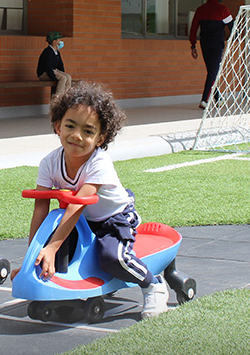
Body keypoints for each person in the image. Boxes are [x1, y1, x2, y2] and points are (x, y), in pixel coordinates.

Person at [23, 81, 169, 319]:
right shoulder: (49, 162)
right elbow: (40, 209)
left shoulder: (99, 162)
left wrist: (52, 246)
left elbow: (78, 204)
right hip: (81, 221)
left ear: (100, 138)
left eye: (88, 131)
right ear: (58, 126)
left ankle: (153, 284)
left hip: (113, 218)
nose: (77, 135)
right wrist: (33, 256)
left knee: (112, 257)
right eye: (70, 125)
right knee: (55, 238)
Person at [189, 0, 234, 109]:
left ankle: (218, 99)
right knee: (213, 72)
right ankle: (204, 100)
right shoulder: (222, 9)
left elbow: (193, 28)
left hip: (205, 44)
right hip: (217, 44)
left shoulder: (201, 9)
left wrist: (193, 45)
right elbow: (232, 27)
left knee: (212, 72)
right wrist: (234, 38)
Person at [37, 31, 72, 96]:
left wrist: (63, 73)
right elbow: (48, 67)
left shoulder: (57, 52)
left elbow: (60, 65)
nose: (61, 42)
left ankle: (66, 95)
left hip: (53, 71)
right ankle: (57, 97)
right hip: (44, 73)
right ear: (54, 42)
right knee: (63, 78)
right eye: (59, 40)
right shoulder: (48, 52)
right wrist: (54, 78)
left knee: (68, 77)